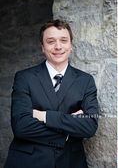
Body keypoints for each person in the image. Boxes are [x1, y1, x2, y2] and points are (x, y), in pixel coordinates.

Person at [4, 19, 98, 168]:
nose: (58, 46)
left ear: (71, 45)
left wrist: (44, 116)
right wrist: (68, 129)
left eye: (63, 40)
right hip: (30, 160)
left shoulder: (85, 80)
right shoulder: (25, 78)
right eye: (50, 41)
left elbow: (90, 126)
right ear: (42, 47)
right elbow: (21, 127)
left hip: (70, 162)